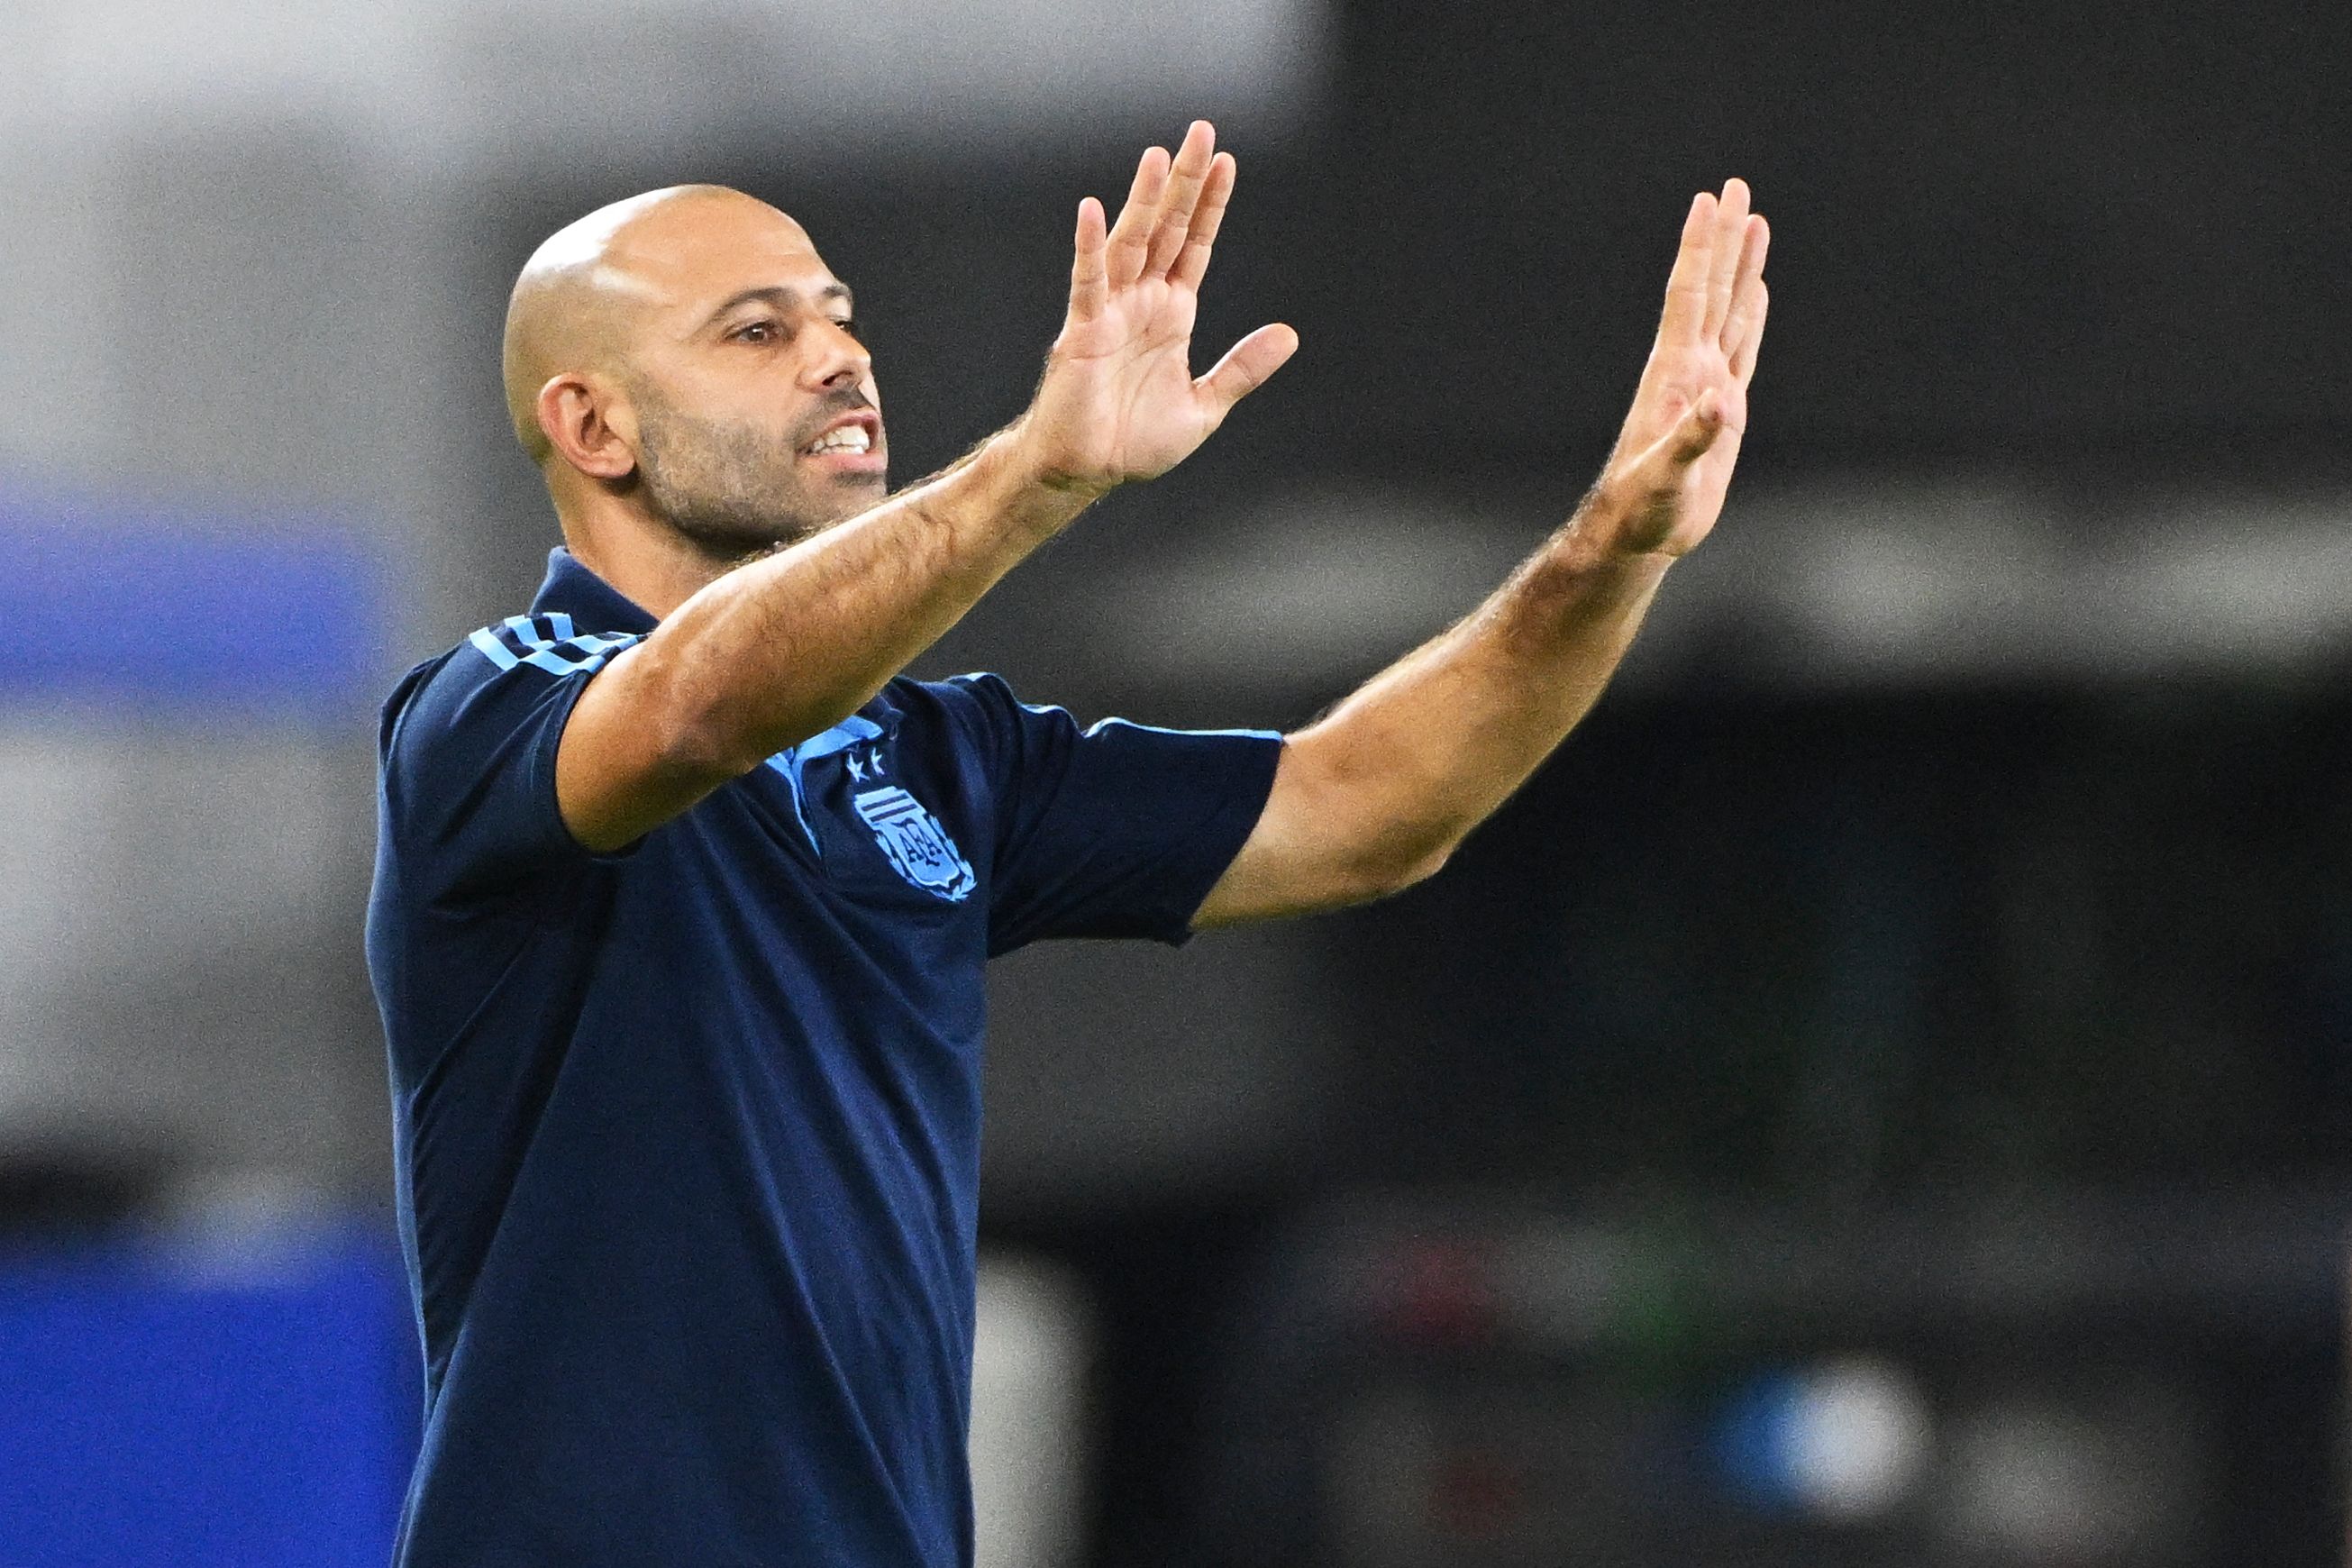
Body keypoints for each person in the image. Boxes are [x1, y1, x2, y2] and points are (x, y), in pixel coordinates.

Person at [365, 119, 1767, 1565]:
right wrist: (1038, 471)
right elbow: (691, 712)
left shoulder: (941, 758)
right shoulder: (483, 713)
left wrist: (1612, 554)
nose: (839, 357)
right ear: (595, 428)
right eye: (756, 330)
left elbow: (1361, 809)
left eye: (840, 316)